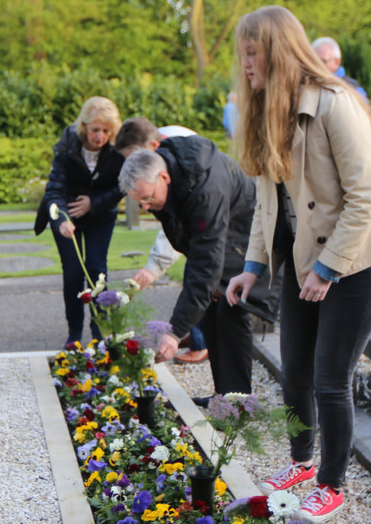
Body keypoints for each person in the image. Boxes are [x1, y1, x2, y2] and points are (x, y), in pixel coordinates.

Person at [226, 7, 371, 524]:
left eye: (252, 53)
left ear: (277, 52)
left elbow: (366, 199)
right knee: (294, 369)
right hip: (305, 260)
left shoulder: (336, 103)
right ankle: (301, 463)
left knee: (330, 378)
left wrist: (327, 269)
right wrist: (253, 266)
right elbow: (268, 204)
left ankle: (331, 484)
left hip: (357, 260)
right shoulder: (266, 110)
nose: (245, 64)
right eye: (242, 54)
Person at [118, 131, 267, 396]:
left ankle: (239, 403)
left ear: (164, 177)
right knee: (210, 311)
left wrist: (174, 332)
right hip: (219, 236)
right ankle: (224, 397)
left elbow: (205, 265)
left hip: (246, 237)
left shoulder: (206, 189)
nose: (146, 207)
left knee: (230, 310)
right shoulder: (167, 179)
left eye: (148, 198)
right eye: (139, 202)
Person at [116, 119, 210, 364]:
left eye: (135, 157)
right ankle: (191, 333)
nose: (134, 166)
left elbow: (180, 225)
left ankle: (201, 343)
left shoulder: (181, 158)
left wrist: (154, 267)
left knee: (201, 275)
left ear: (153, 146)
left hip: (211, 224)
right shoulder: (164, 153)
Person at [33, 97, 124, 347]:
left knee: (97, 270)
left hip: (101, 215)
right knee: (73, 273)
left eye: (106, 131)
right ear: (84, 127)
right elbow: (55, 189)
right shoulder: (68, 144)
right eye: (95, 130)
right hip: (66, 216)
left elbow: (122, 186)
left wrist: (93, 202)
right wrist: (61, 220)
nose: (100, 136)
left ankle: (100, 333)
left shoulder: (117, 149)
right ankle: (74, 334)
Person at [312, 36, 368, 101]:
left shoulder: (352, 89)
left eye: (322, 61)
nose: (317, 65)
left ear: (336, 62)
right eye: (313, 61)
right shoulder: (308, 86)